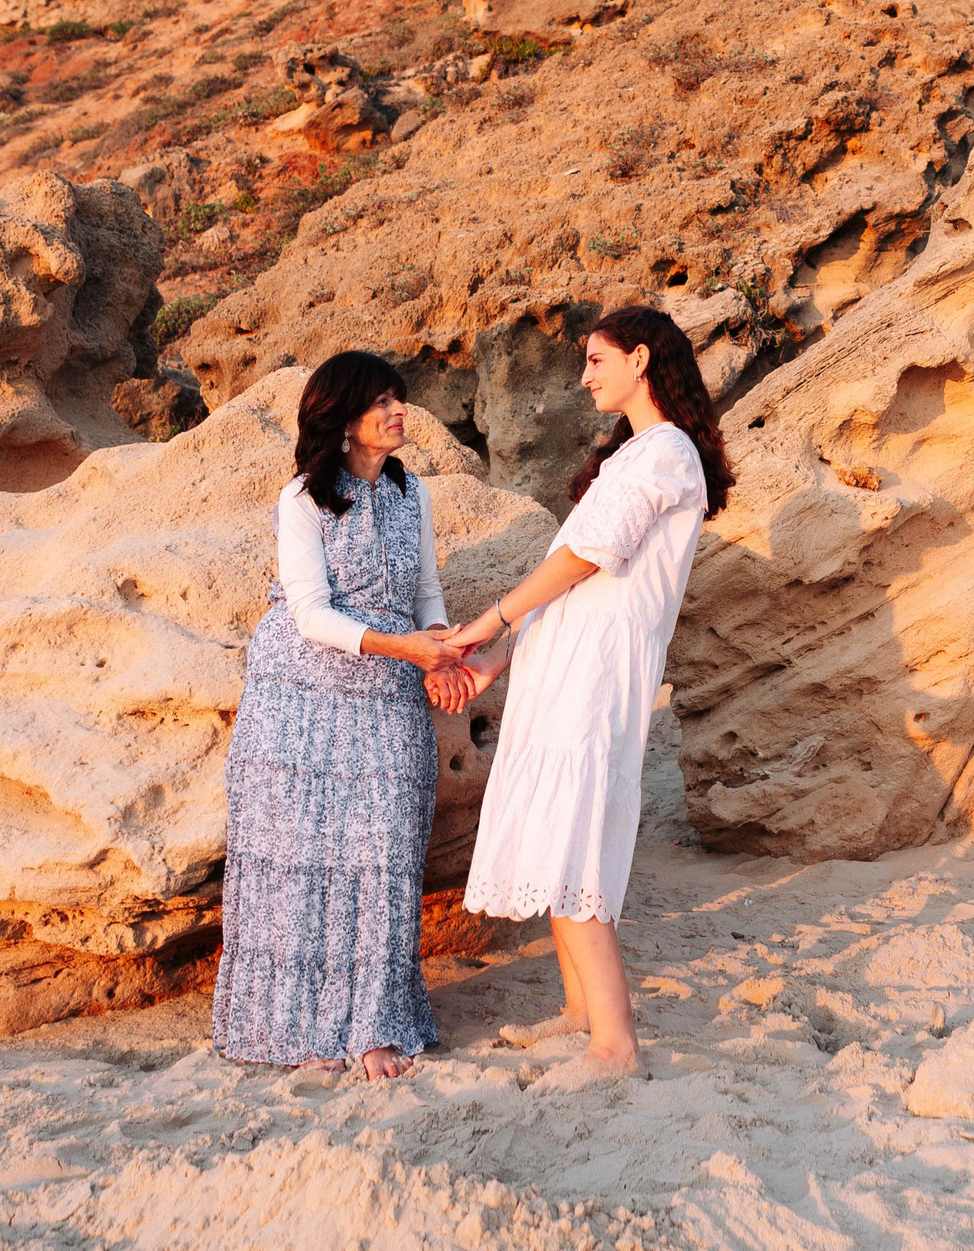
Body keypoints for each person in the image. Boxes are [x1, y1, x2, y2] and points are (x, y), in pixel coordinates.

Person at [435, 304, 735, 1094]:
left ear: (642, 360)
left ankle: (615, 1042)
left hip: (598, 668)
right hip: (566, 657)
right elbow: (569, 575)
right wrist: (499, 657)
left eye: (597, 360)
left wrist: (493, 616)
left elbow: (583, 557)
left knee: (575, 839)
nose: (584, 376)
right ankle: (578, 1011)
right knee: (556, 829)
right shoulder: (639, 454)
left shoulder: (666, 452)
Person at [211, 351, 464, 1081]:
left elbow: (426, 592)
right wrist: (406, 650)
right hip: (300, 694)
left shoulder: (413, 492)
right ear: (343, 419)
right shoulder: (303, 498)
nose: (397, 411)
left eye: (398, 398)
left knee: (383, 852)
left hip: (388, 688)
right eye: (380, 401)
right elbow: (310, 612)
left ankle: (376, 1024)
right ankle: (303, 1029)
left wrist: (440, 652)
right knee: (302, 859)